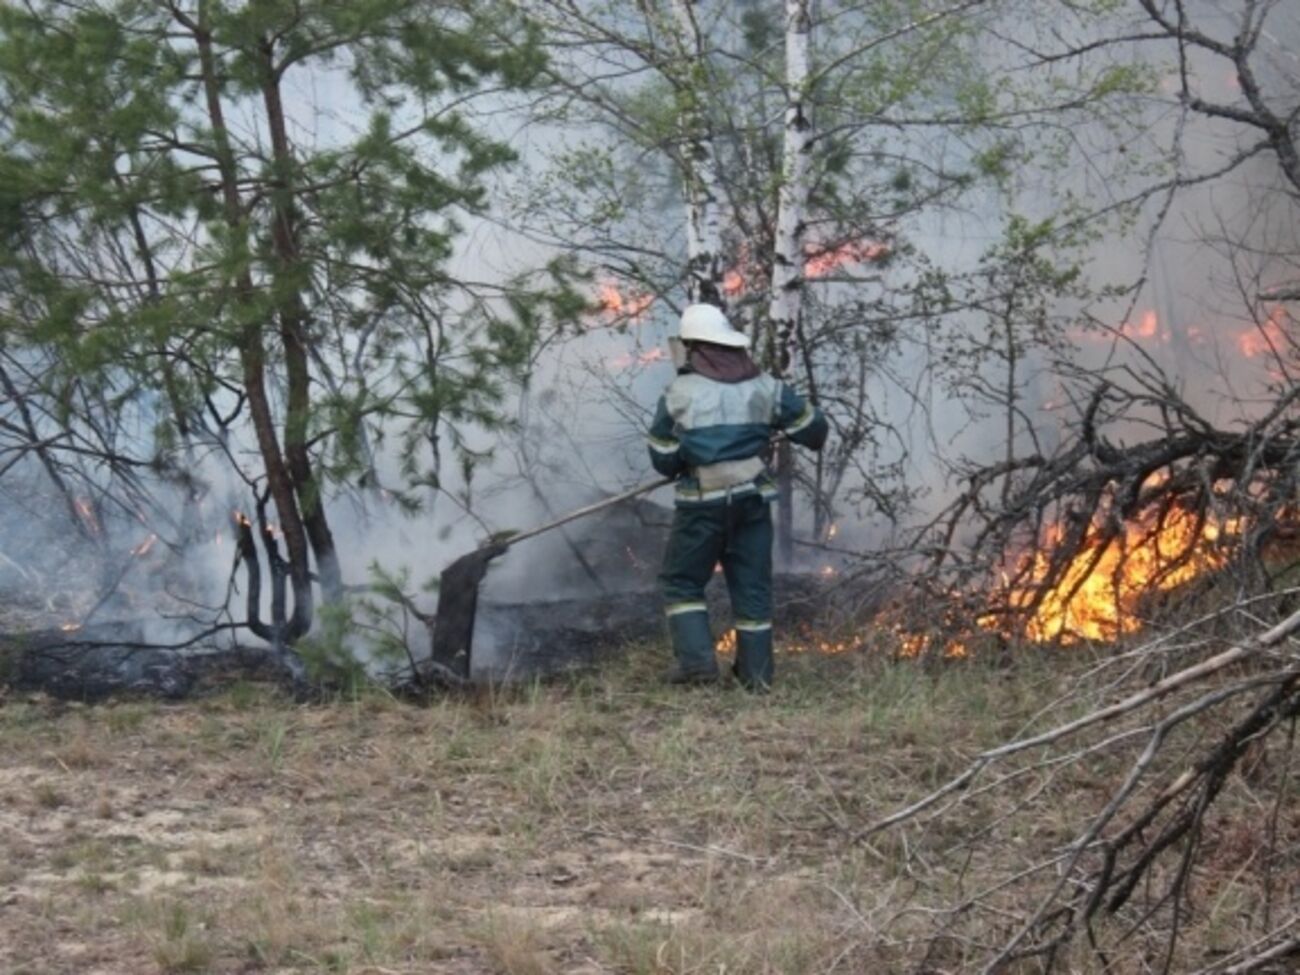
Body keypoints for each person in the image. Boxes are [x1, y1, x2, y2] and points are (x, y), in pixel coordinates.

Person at [647, 303, 828, 690]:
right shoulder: (766, 387)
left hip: (702, 506)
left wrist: (689, 455)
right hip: (752, 502)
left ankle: (697, 666)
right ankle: (756, 677)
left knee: (681, 582)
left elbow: (662, 458)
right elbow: (815, 430)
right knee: (752, 589)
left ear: (693, 348)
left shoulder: (678, 393)